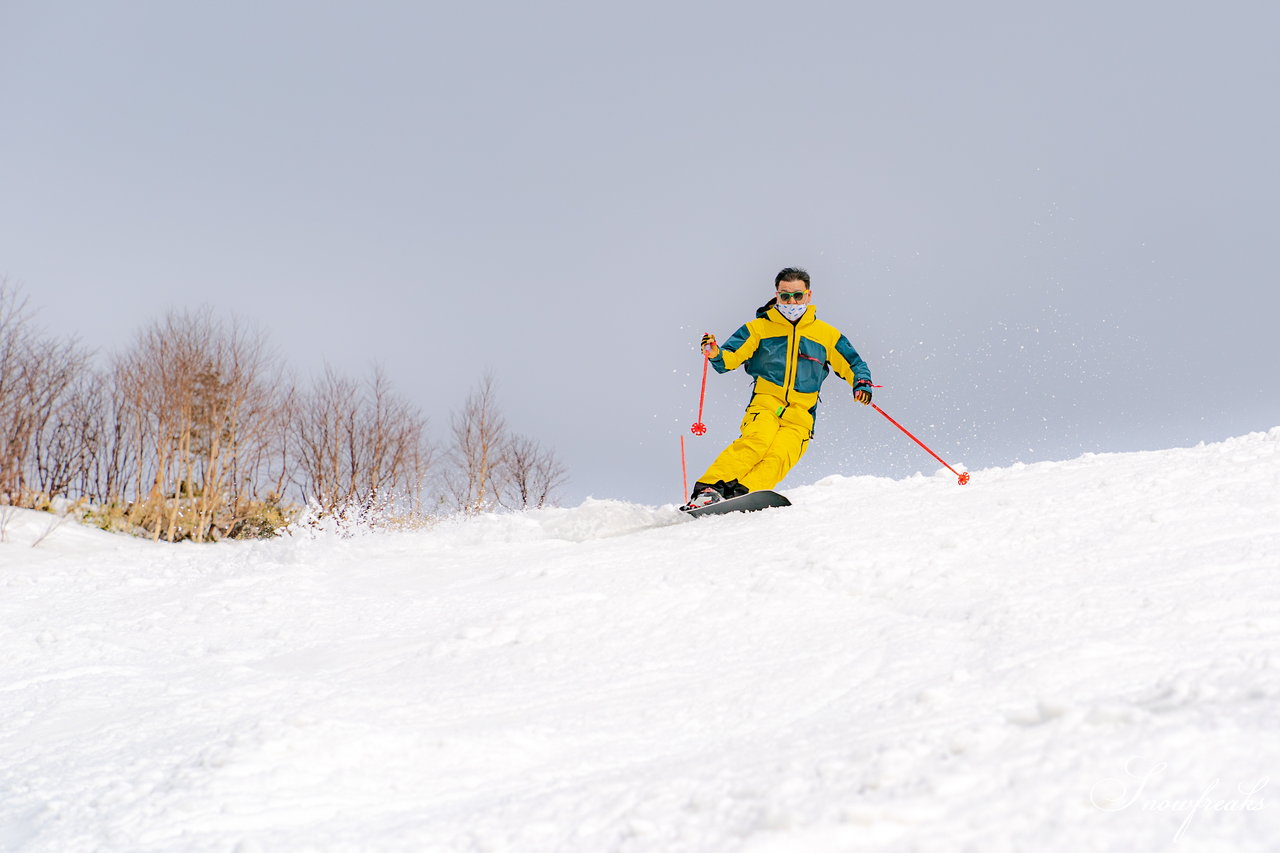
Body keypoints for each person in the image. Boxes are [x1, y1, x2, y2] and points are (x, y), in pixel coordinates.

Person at [684, 267, 874, 510]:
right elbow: (729, 359)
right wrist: (715, 353)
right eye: (785, 296)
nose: (791, 301)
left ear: (808, 295)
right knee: (757, 441)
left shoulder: (826, 335)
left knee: (779, 457)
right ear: (776, 296)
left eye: (797, 296)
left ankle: (742, 493)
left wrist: (861, 383)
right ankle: (709, 490)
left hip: (802, 413)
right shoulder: (758, 329)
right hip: (766, 401)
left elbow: (853, 363)